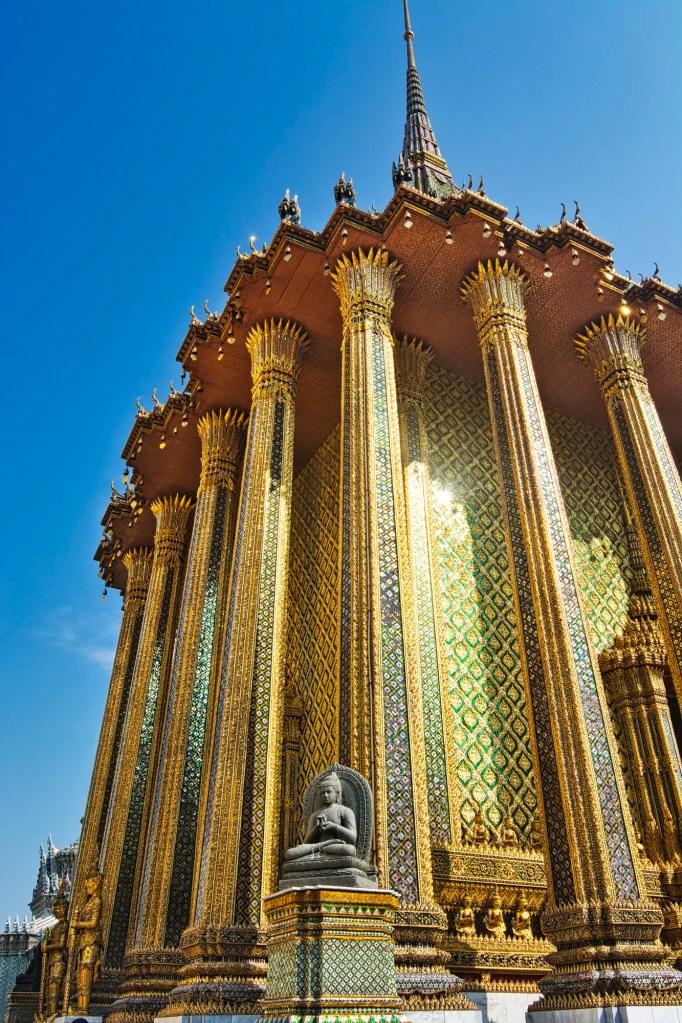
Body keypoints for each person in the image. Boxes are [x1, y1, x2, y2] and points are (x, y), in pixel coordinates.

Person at [284, 773, 357, 860]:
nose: (325, 795)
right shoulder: (315, 815)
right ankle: (323, 846)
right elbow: (306, 843)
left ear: (336, 793)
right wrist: (316, 828)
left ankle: (323, 848)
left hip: (336, 847)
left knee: (350, 850)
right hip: (317, 847)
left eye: (329, 792)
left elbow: (352, 838)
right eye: (323, 793)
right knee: (289, 854)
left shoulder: (345, 811)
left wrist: (334, 827)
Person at [73, 872, 103, 1014]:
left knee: (86, 972)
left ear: (97, 882)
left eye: (90, 882)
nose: (87, 886)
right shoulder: (88, 902)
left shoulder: (97, 901)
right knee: (81, 974)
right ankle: (80, 1006)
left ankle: (84, 1009)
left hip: (92, 940)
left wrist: (77, 924)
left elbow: (94, 922)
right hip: (84, 941)